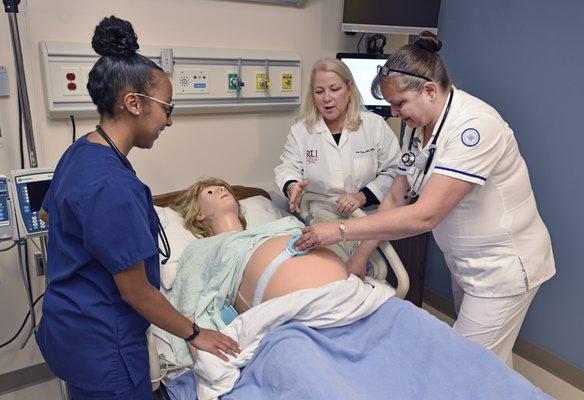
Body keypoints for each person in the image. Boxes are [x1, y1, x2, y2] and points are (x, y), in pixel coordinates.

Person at [294, 31, 555, 366]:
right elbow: (395, 198)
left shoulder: (474, 127)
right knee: (491, 363)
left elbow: (425, 215)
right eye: (391, 104)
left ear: (429, 89)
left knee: (464, 365)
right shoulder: (419, 127)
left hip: (501, 265)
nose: (394, 111)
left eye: (399, 103)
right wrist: (359, 257)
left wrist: (339, 230)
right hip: (466, 262)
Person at [35, 17, 238, 399]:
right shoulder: (112, 185)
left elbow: (49, 216)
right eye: (167, 107)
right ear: (133, 104)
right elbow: (136, 292)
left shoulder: (82, 150)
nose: (169, 120)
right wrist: (196, 334)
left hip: (69, 324)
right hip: (102, 344)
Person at [170, 178, 349, 317]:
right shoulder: (202, 248)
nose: (221, 189)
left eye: (223, 188)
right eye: (210, 192)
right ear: (199, 214)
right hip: (295, 312)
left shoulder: (277, 227)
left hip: (348, 293)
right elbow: (189, 304)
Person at [274, 57, 401, 215]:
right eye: (319, 91)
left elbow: (393, 170)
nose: (327, 98)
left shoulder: (374, 125)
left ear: (349, 90)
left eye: (334, 89)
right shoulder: (301, 131)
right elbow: (287, 168)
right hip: (320, 217)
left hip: (367, 216)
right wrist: (292, 186)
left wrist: (362, 196)